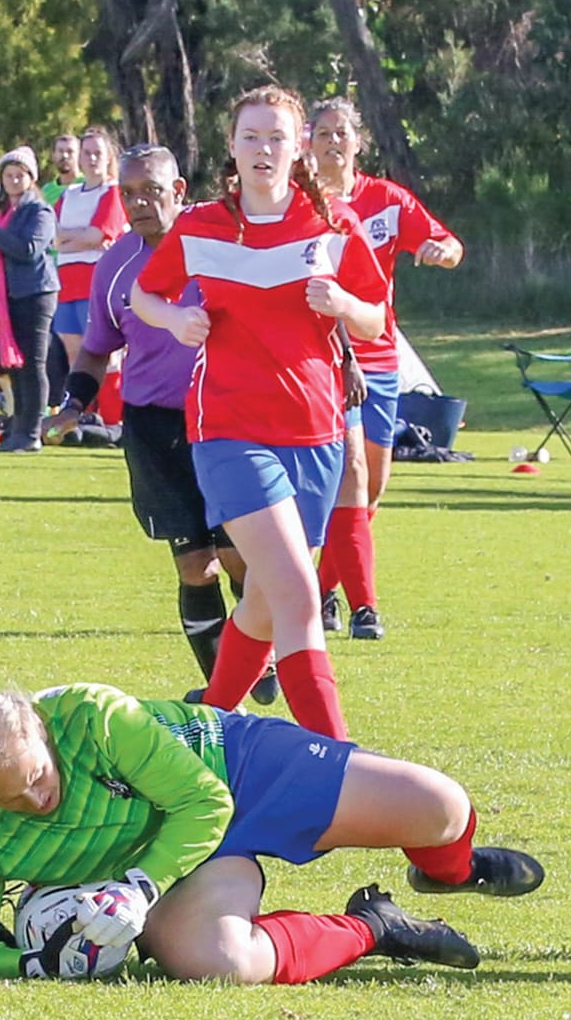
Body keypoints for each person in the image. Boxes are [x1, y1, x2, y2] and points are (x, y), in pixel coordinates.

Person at [0, 682, 544, 981]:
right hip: (177, 864)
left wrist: (138, 886)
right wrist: (36, 962)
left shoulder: (92, 715)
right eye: (15, 798)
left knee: (440, 806)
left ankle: (452, 874)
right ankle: (374, 927)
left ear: (39, 731)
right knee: (219, 963)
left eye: (36, 776)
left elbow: (201, 800)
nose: (37, 797)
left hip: (234, 770)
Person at [130, 85, 388, 740]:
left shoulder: (331, 225)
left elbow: (375, 316)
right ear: (232, 147)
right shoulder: (201, 226)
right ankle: (338, 764)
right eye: (251, 136)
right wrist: (176, 315)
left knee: (268, 601)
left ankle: (211, 723)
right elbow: (143, 293)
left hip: (318, 435)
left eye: (277, 137)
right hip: (228, 433)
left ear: (297, 146)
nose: (263, 149)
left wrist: (341, 304)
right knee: (300, 596)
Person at [42, 145, 273, 703]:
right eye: (130, 194)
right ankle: (223, 693)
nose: (142, 203)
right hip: (154, 428)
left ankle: (258, 657)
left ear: (180, 191)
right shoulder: (115, 267)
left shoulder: (220, 248)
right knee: (196, 566)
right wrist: (74, 403)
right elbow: (97, 349)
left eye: (153, 190)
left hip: (225, 418)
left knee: (241, 556)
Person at [306, 97, 464, 641]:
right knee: (347, 476)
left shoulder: (386, 199)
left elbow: (448, 242)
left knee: (371, 489)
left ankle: (324, 586)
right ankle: (360, 607)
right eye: (322, 132)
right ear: (309, 142)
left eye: (341, 133)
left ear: (357, 142)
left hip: (381, 353)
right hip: (325, 359)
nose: (332, 142)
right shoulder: (298, 201)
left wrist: (442, 252)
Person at [0, 145, 58, 453]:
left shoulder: (40, 211)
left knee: (33, 364)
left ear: (31, 178)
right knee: (15, 365)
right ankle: (17, 429)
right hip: (9, 295)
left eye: (20, 175)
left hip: (36, 292)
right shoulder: (5, 214)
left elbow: (28, 250)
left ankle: (31, 431)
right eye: (8, 174)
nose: (13, 180)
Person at [51, 126, 129, 376]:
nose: (92, 158)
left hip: (96, 282)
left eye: (98, 152)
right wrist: (80, 237)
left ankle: (112, 415)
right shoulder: (69, 194)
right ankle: (83, 412)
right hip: (66, 285)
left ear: (108, 157)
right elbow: (52, 238)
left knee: (104, 354)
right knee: (75, 357)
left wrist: (69, 239)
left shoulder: (113, 191)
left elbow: (98, 234)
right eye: (87, 153)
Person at [39, 133, 79, 206]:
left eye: (70, 151)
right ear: (53, 156)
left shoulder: (88, 184)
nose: (65, 156)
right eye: (60, 151)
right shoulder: (46, 191)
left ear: (79, 155)